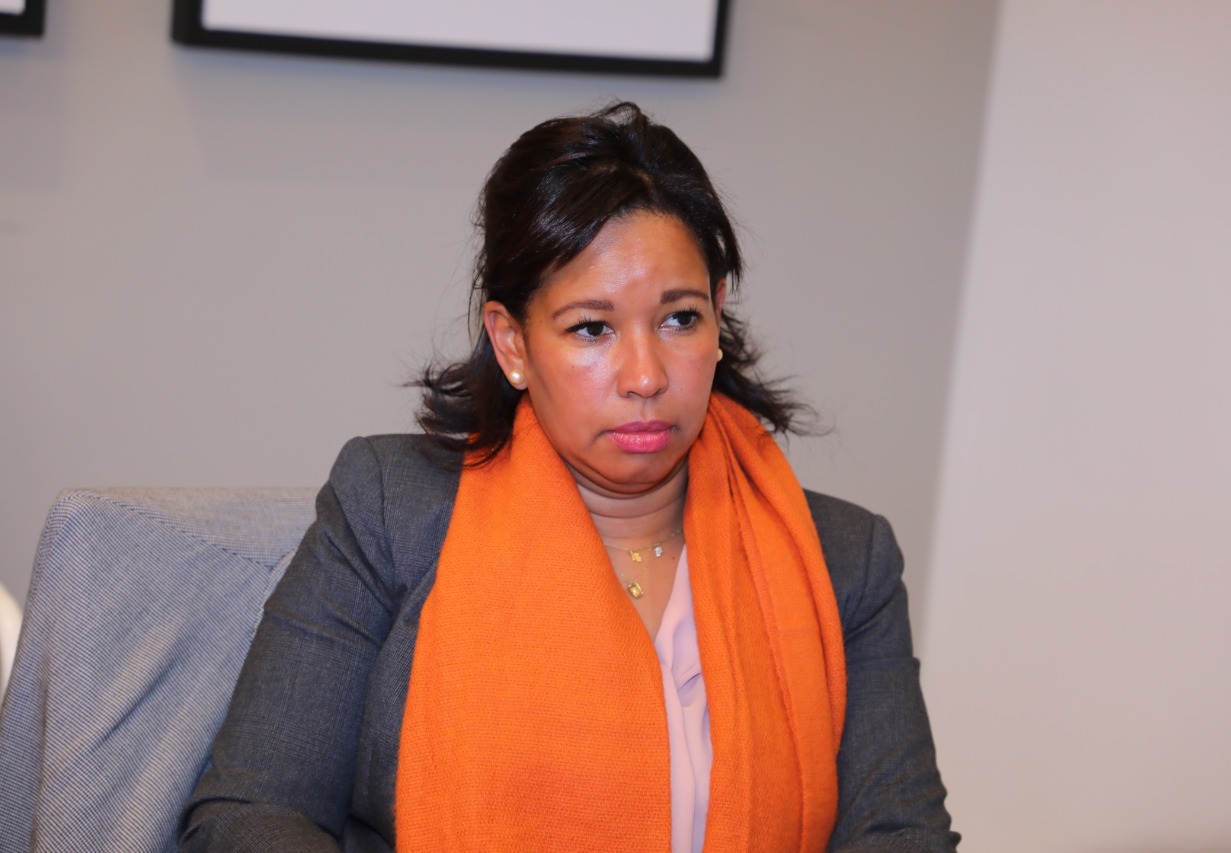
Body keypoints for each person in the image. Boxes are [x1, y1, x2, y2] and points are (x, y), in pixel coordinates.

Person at [181, 102, 958, 852]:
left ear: (719, 315)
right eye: (591, 328)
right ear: (512, 343)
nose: (645, 375)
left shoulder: (843, 560)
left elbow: (902, 834)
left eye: (680, 318)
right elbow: (254, 810)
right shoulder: (389, 509)